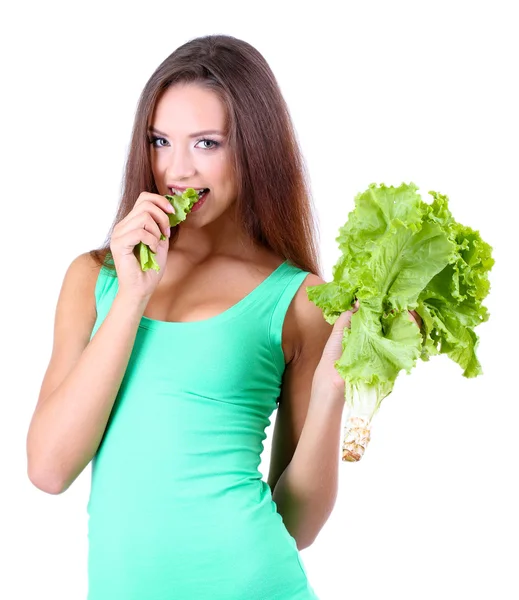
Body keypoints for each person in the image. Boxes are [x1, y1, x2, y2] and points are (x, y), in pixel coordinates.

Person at [26, 34, 419, 599]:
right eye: (160, 141)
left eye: (206, 143)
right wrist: (134, 295)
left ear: (254, 149)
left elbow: (297, 524)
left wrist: (334, 386)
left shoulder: (300, 299)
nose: (176, 170)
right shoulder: (94, 279)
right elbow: (48, 469)